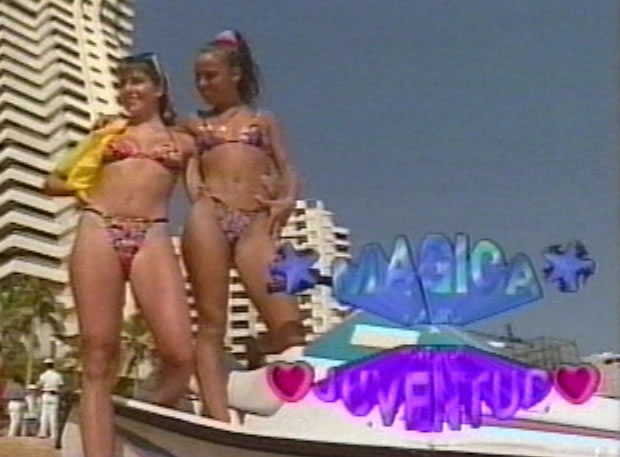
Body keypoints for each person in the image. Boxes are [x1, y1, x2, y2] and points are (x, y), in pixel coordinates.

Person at [44, 53, 195, 457]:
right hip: (98, 227)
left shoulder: (183, 141)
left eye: (137, 82)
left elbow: (204, 194)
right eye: (123, 83)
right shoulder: (106, 134)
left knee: (180, 354)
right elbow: (53, 180)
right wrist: (85, 190)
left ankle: (139, 422)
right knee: (97, 355)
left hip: (153, 234)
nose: (128, 90)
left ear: (159, 88)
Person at [182, 30, 305, 422]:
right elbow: (189, 170)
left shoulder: (263, 120)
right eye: (198, 78)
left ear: (234, 74)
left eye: (210, 75)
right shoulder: (193, 124)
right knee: (211, 323)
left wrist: (287, 199)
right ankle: (217, 417)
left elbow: (287, 166)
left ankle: (279, 393)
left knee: (288, 325)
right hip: (210, 216)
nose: (203, 84)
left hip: (255, 221)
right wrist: (198, 197)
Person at [36, 358, 63, 441]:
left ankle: (43, 433)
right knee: (53, 416)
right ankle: (53, 434)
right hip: (54, 395)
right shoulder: (57, 375)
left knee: (44, 415)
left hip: (45, 394)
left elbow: (39, 385)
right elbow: (60, 385)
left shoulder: (43, 375)